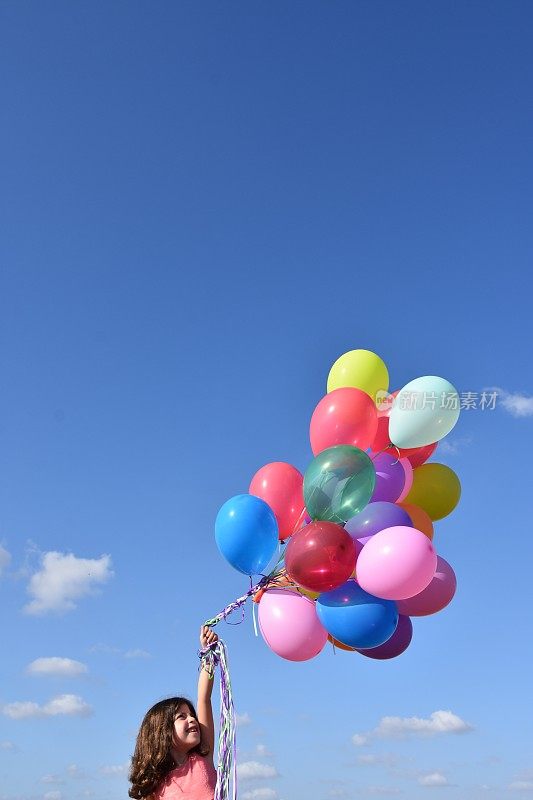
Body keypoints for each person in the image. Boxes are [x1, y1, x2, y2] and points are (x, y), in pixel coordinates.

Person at [128, 626, 219, 799]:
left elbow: (204, 699)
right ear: (161, 731)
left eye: (191, 714)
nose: (192, 719)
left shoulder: (203, 757)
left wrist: (208, 654)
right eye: (181, 716)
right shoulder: (155, 785)